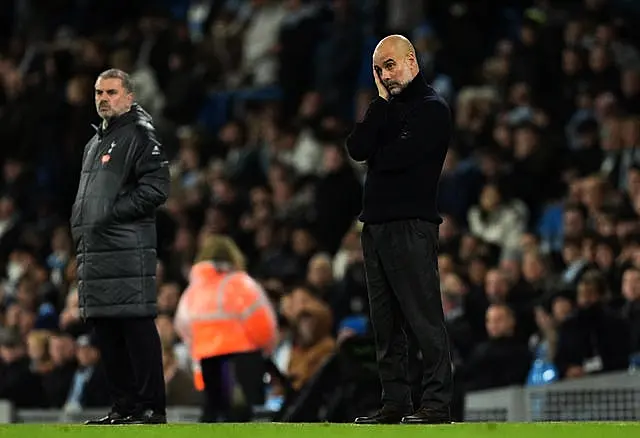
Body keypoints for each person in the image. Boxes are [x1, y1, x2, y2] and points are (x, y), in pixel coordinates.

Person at [345, 35, 453, 424]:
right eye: (378, 70)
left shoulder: (432, 109)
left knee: (423, 318)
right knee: (385, 324)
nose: (385, 75)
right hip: (375, 227)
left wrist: (381, 138)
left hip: (412, 225)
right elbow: (358, 147)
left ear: (411, 60)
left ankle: (437, 404)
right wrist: (381, 107)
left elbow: (395, 159)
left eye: (390, 65)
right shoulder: (387, 109)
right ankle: (395, 403)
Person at [70, 69, 170, 425]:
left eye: (111, 92)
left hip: (126, 249)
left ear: (129, 97)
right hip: (97, 252)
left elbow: (157, 188)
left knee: (135, 327)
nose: (103, 99)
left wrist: (110, 215)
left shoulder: (139, 134)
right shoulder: (95, 142)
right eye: (98, 92)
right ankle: (124, 407)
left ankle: (150, 407)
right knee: (108, 331)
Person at [174, 234, 278, 422]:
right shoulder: (242, 284)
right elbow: (265, 326)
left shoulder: (194, 290)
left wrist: (202, 346)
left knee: (213, 414)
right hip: (244, 360)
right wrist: (265, 351)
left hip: (208, 360)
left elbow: (182, 325)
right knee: (244, 418)